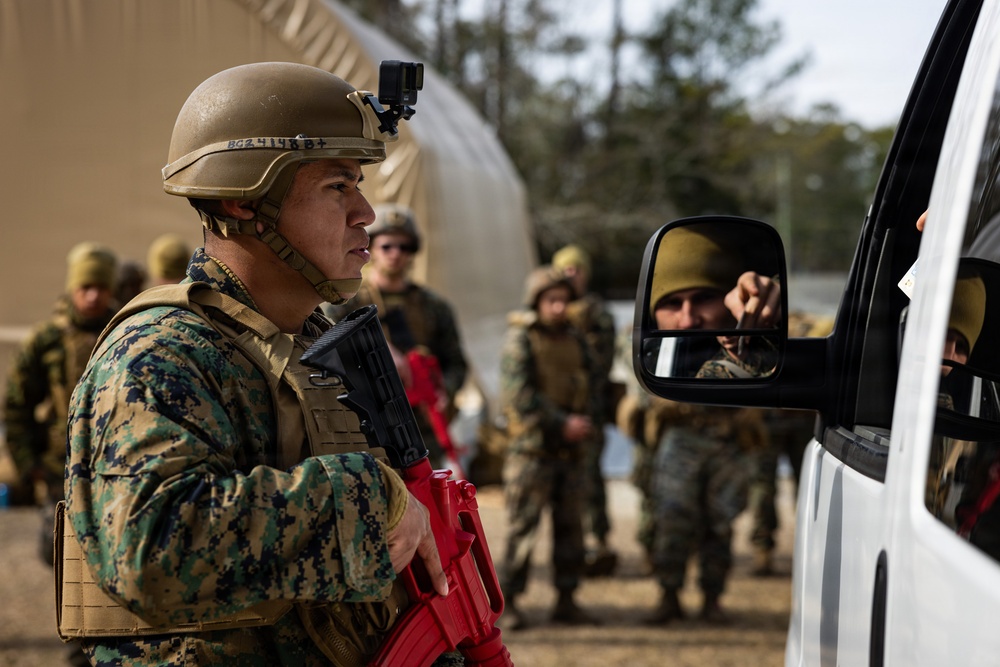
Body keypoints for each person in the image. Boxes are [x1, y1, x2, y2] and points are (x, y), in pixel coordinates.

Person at [62, 62, 452, 667]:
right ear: (239, 200)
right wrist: (365, 500)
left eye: (359, 185)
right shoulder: (162, 352)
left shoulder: (318, 345)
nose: (366, 213)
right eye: (337, 187)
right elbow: (150, 548)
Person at [644, 224, 770, 624]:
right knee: (672, 522)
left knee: (721, 524)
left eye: (703, 299)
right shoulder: (652, 350)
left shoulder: (745, 345)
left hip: (726, 442)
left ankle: (712, 599)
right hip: (679, 442)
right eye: (672, 303)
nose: (687, 318)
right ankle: (669, 596)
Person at [325, 204, 469, 470]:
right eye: (387, 246)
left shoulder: (434, 307)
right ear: (371, 248)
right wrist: (378, 346)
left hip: (420, 429)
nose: (395, 254)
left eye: (404, 247)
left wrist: (442, 390)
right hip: (368, 427)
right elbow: (322, 338)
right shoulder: (346, 301)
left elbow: (457, 362)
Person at [498, 265, 599, 630]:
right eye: (551, 300)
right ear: (536, 301)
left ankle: (567, 600)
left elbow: (592, 387)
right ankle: (506, 602)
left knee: (572, 529)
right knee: (521, 531)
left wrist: (586, 426)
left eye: (564, 300)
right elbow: (519, 395)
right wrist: (562, 424)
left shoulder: (577, 340)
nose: (559, 307)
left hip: (571, 454)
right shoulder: (520, 340)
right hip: (532, 452)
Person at [4, 242, 118, 564]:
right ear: (72, 288)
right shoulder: (46, 340)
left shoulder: (125, 331)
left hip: (114, 467)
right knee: (59, 558)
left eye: (101, 287)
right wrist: (30, 466)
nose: (93, 296)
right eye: (86, 287)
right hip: (59, 473)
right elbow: (16, 407)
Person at [552, 244, 619, 576]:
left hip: (589, 412)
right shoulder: (547, 310)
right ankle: (572, 553)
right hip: (554, 415)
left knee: (591, 479)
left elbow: (600, 364)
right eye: (565, 269)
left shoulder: (598, 315)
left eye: (577, 269)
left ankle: (601, 542)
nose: (571, 275)